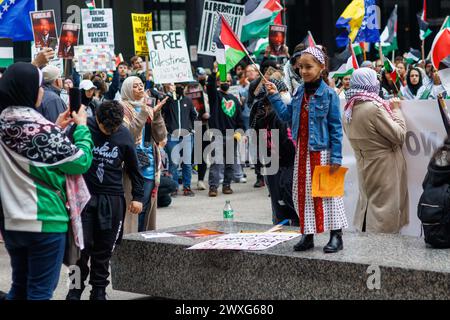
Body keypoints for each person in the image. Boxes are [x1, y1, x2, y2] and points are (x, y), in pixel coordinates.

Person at [0, 62, 93, 300]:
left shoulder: (4, 121)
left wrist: (56, 128)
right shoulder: (40, 129)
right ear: (29, 90)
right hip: (44, 219)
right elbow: (80, 161)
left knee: (19, 287)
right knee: (40, 291)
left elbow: (32, 153)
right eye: (40, 86)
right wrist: (81, 128)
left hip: (10, 220)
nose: (42, 90)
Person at [265, 46, 348, 253]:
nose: (303, 71)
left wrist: (336, 157)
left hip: (323, 152)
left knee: (329, 195)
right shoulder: (299, 91)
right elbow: (286, 116)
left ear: (321, 67)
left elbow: (336, 128)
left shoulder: (329, 95)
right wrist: (275, 96)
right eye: (301, 67)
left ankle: (336, 237)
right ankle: (307, 235)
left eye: (309, 67)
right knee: (303, 195)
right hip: (302, 153)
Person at [66, 101, 144, 300]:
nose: (110, 131)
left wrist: (137, 197)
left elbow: (134, 169)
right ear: (97, 120)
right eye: (105, 127)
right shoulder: (82, 127)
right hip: (83, 198)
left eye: (114, 128)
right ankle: (74, 290)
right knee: (78, 252)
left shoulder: (124, 134)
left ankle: (99, 291)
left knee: (104, 251)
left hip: (112, 199)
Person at [343, 68, 409, 234]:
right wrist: (396, 110)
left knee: (369, 203)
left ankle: (369, 243)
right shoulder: (374, 108)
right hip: (384, 166)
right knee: (384, 211)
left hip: (364, 164)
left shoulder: (348, 109)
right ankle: (381, 249)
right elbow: (399, 135)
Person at [120, 76, 167, 233]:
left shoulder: (148, 106)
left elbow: (160, 137)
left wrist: (157, 114)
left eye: (141, 85)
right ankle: (130, 242)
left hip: (149, 166)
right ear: (127, 89)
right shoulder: (123, 108)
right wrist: (143, 113)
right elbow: (128, 135)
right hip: (131, 166)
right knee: (132, 209)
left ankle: (141, 241)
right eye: (135, 86)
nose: (140, 88)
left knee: (145, 209)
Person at [253, 79, 298, 226]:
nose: (286, 94)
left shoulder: (277, 110)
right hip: (282, 160)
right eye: (283, 91)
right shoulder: (275, 113)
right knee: (284, 200)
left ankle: (284, 227)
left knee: (281, 200)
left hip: (278, 160)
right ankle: (290, 226)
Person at [207, 64, 244, 197]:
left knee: (229, 163)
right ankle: (213, 187)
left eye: (228, 81)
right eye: (223, 80)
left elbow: (240, 120)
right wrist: (214, 72)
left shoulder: (234, 100)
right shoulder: (215, 96)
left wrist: (239, 132)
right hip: (217, 134)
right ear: (218, 82)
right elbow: (209, 85)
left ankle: (227, 185)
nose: (226, 83)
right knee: (216, 162)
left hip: (231, 136)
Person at [161, 83, 198, 196]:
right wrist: (169, 94)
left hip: (187, 136)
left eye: (181, 86)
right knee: (174, 162)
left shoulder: (188, 100)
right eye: (176, 86)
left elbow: (194, 115)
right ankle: (174, 187)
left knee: (187, 163)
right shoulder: (168, 100)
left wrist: (190, 128)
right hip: (172, 136)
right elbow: (162, 110)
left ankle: (187, 187)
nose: (178, 88)